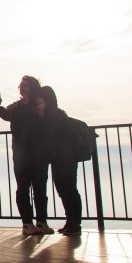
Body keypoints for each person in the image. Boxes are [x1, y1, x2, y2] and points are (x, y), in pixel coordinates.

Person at [0, 75, 54, 236]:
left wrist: (30, 106)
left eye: (24, 86)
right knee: (23, 188)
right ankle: (27, 223)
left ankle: (41, 222)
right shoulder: (17, 106)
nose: (21, 88)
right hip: (21, 153)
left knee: (40, 188)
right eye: (20, 86)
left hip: (39, 152)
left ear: (32, 88)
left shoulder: (39, 103)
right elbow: (7, 116)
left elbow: (44, 120)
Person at [36, 86, 82, 235]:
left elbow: (55, 135)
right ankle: (71, 222)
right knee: (64, 189)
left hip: (65, 157)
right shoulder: (56, 114)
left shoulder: (55, 115)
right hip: (60, 157)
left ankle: (75, 223)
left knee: (69, 189)